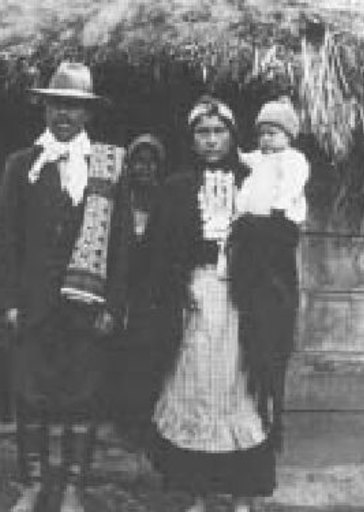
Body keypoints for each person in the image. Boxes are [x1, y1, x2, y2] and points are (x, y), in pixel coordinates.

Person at [0, 61, 131, 512]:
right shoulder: (21, 165)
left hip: (87, 305)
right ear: (44, 109)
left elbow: (121, 242)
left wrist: (114, 303)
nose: (63, 115)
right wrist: (6, 300)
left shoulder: (108, 166)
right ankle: (31, 485)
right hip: (33, 303)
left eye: (73, 106)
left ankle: (72, 488)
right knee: (30, 394)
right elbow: (4, 237)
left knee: (81, 394)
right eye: (55, 105)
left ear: (88, 114)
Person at [144, 95, 302, 512]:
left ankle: (242, 496)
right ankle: (197, 492)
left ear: (233, 136)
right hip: (193, 305)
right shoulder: (176, 187)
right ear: (192, 138)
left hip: (243, 306)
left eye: (219, 132)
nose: (211, 140)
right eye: (202, 132)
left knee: (243, 393)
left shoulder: (258, 178)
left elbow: (284, 241)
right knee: (195, 389)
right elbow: (158, 254)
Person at [110, 134, 167, 442]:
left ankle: (143, 422)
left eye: (150, 162)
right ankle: (121, 420)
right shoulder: (118, 199)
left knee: (145, 356)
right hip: (120, 286)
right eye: (137, 162)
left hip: (149, 291)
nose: (143, 169)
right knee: (119, 354)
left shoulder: (163, 200)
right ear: (128, 166)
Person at [237, 97, 309, 223]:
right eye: (261, 134)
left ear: (288, 137)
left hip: (283, 215)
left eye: (271, 134)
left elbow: (293, 184)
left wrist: (280, 206)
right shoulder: (260, 156)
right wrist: (238, 155)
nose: (265, 138)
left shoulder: (293, 158)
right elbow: (246, 159)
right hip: (258, 212)